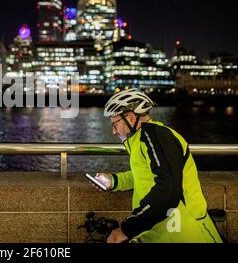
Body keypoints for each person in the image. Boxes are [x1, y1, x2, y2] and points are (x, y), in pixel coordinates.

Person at [94, 88, 223, 243]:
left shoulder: (157, 137)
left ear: (131, 118)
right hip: (159, 231)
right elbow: (145, 175)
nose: (114, 131)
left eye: (115, 124)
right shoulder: (139, 140)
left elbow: (168, 190)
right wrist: (113, 181)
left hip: (185, 232)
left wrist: (126, 229)